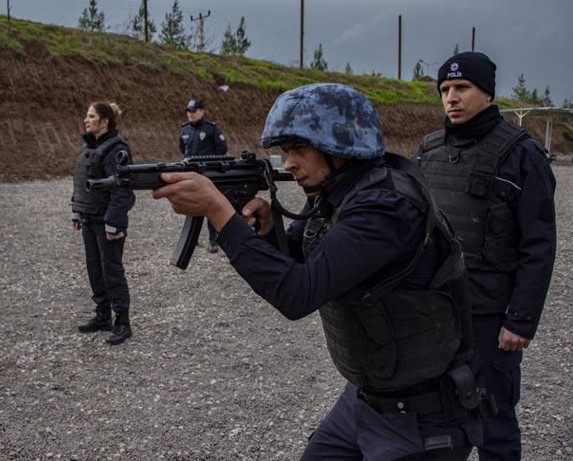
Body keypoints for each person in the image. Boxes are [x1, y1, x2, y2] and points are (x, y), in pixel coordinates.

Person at [154, 83, 485, 459]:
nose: (288, 163)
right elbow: (299, 257)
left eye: (299, 149)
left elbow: (298, 293)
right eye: (284, 152)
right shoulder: (338, 196)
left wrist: (217, 210)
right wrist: (266, 229)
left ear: (340, 144)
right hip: (366, 399)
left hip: (423, 415)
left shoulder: (384, 208)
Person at [414, 51, 556, 460]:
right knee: (437, 418)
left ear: (488, 94)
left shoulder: (521, 155)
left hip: (491, 319)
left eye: (462, 88)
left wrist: (521, 320)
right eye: (445, 89)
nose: (451, 98)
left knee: (494, 422)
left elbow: (539, 244)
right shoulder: (428, 150)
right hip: (436, 314)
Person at [71, 102, 135, 346]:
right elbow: (81, 181)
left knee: (112, 271)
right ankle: (102, 315)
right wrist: (76, 211)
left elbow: (123, 191)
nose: (86, 120)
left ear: (105, 121)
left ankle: (122, 322)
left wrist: (113, 223)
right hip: (89, 218)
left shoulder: (116, 150)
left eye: (91, 116)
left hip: (106, 223)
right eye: (87, 115)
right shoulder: (89, 147)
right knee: (95, 269)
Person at [179, 98, 228, 253]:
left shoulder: (211, 129)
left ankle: (213, 241)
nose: (190, 114)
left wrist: (211, 164)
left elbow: (222, 148)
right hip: (191, 173)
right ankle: (192, 240)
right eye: (188, 111)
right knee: (192, 205)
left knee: (209, 205)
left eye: (193, 111)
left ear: (202, 111)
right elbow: (183, 149)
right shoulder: (184, 129)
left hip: (208, 174)